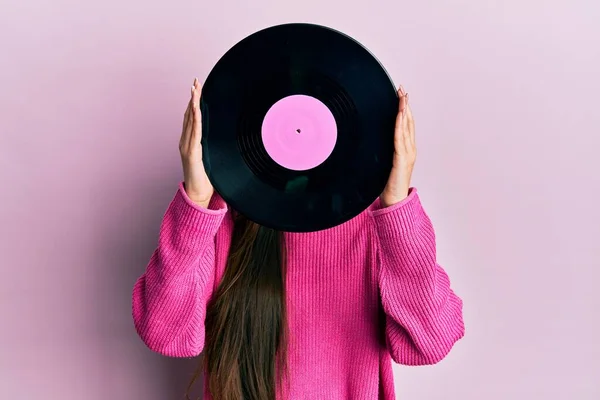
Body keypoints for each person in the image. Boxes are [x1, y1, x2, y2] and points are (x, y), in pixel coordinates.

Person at [132, 78, 465, 400]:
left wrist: (396, 206)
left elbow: (430, 342)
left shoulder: (378, 223)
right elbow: (166, 334)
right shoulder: (221, 216)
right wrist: (196, 200)